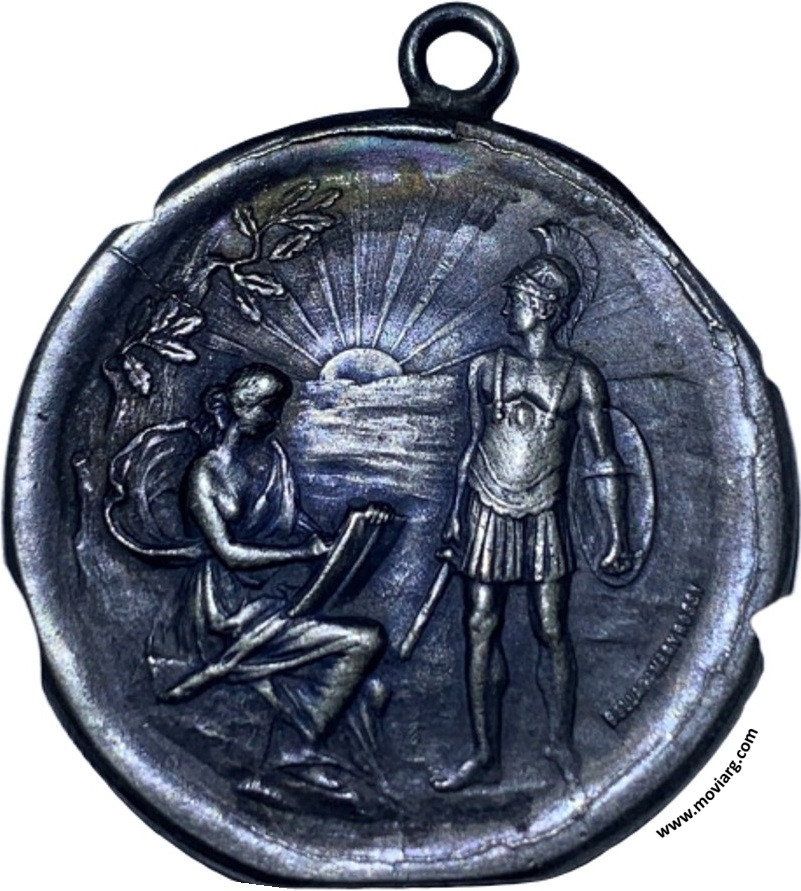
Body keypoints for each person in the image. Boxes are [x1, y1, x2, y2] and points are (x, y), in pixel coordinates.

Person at [434, 230, 631, 792]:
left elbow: (603, 460)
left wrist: (616, 533)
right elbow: (471, 447)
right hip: (486, 505)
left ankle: (559, 744)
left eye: (516, 299)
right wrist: (455, 514)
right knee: (480, 624)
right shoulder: (486, 369)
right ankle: (483, 753)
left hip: (545, 510)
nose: (506, 309)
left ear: (543, 307)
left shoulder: (580, 376)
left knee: (550, 627)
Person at [142, 363, 389, 794]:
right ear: (237, 407)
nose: (276, 419)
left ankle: (295, 750)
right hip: (223, 610)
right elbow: (230, 555)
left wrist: (355, 533)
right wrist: (301, 554)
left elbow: (298, 526)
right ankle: (292, 754)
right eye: (269, 407)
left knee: (372, 679)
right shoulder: (205, 474)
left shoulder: (272, 459)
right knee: (365, 642)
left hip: (271, 598)